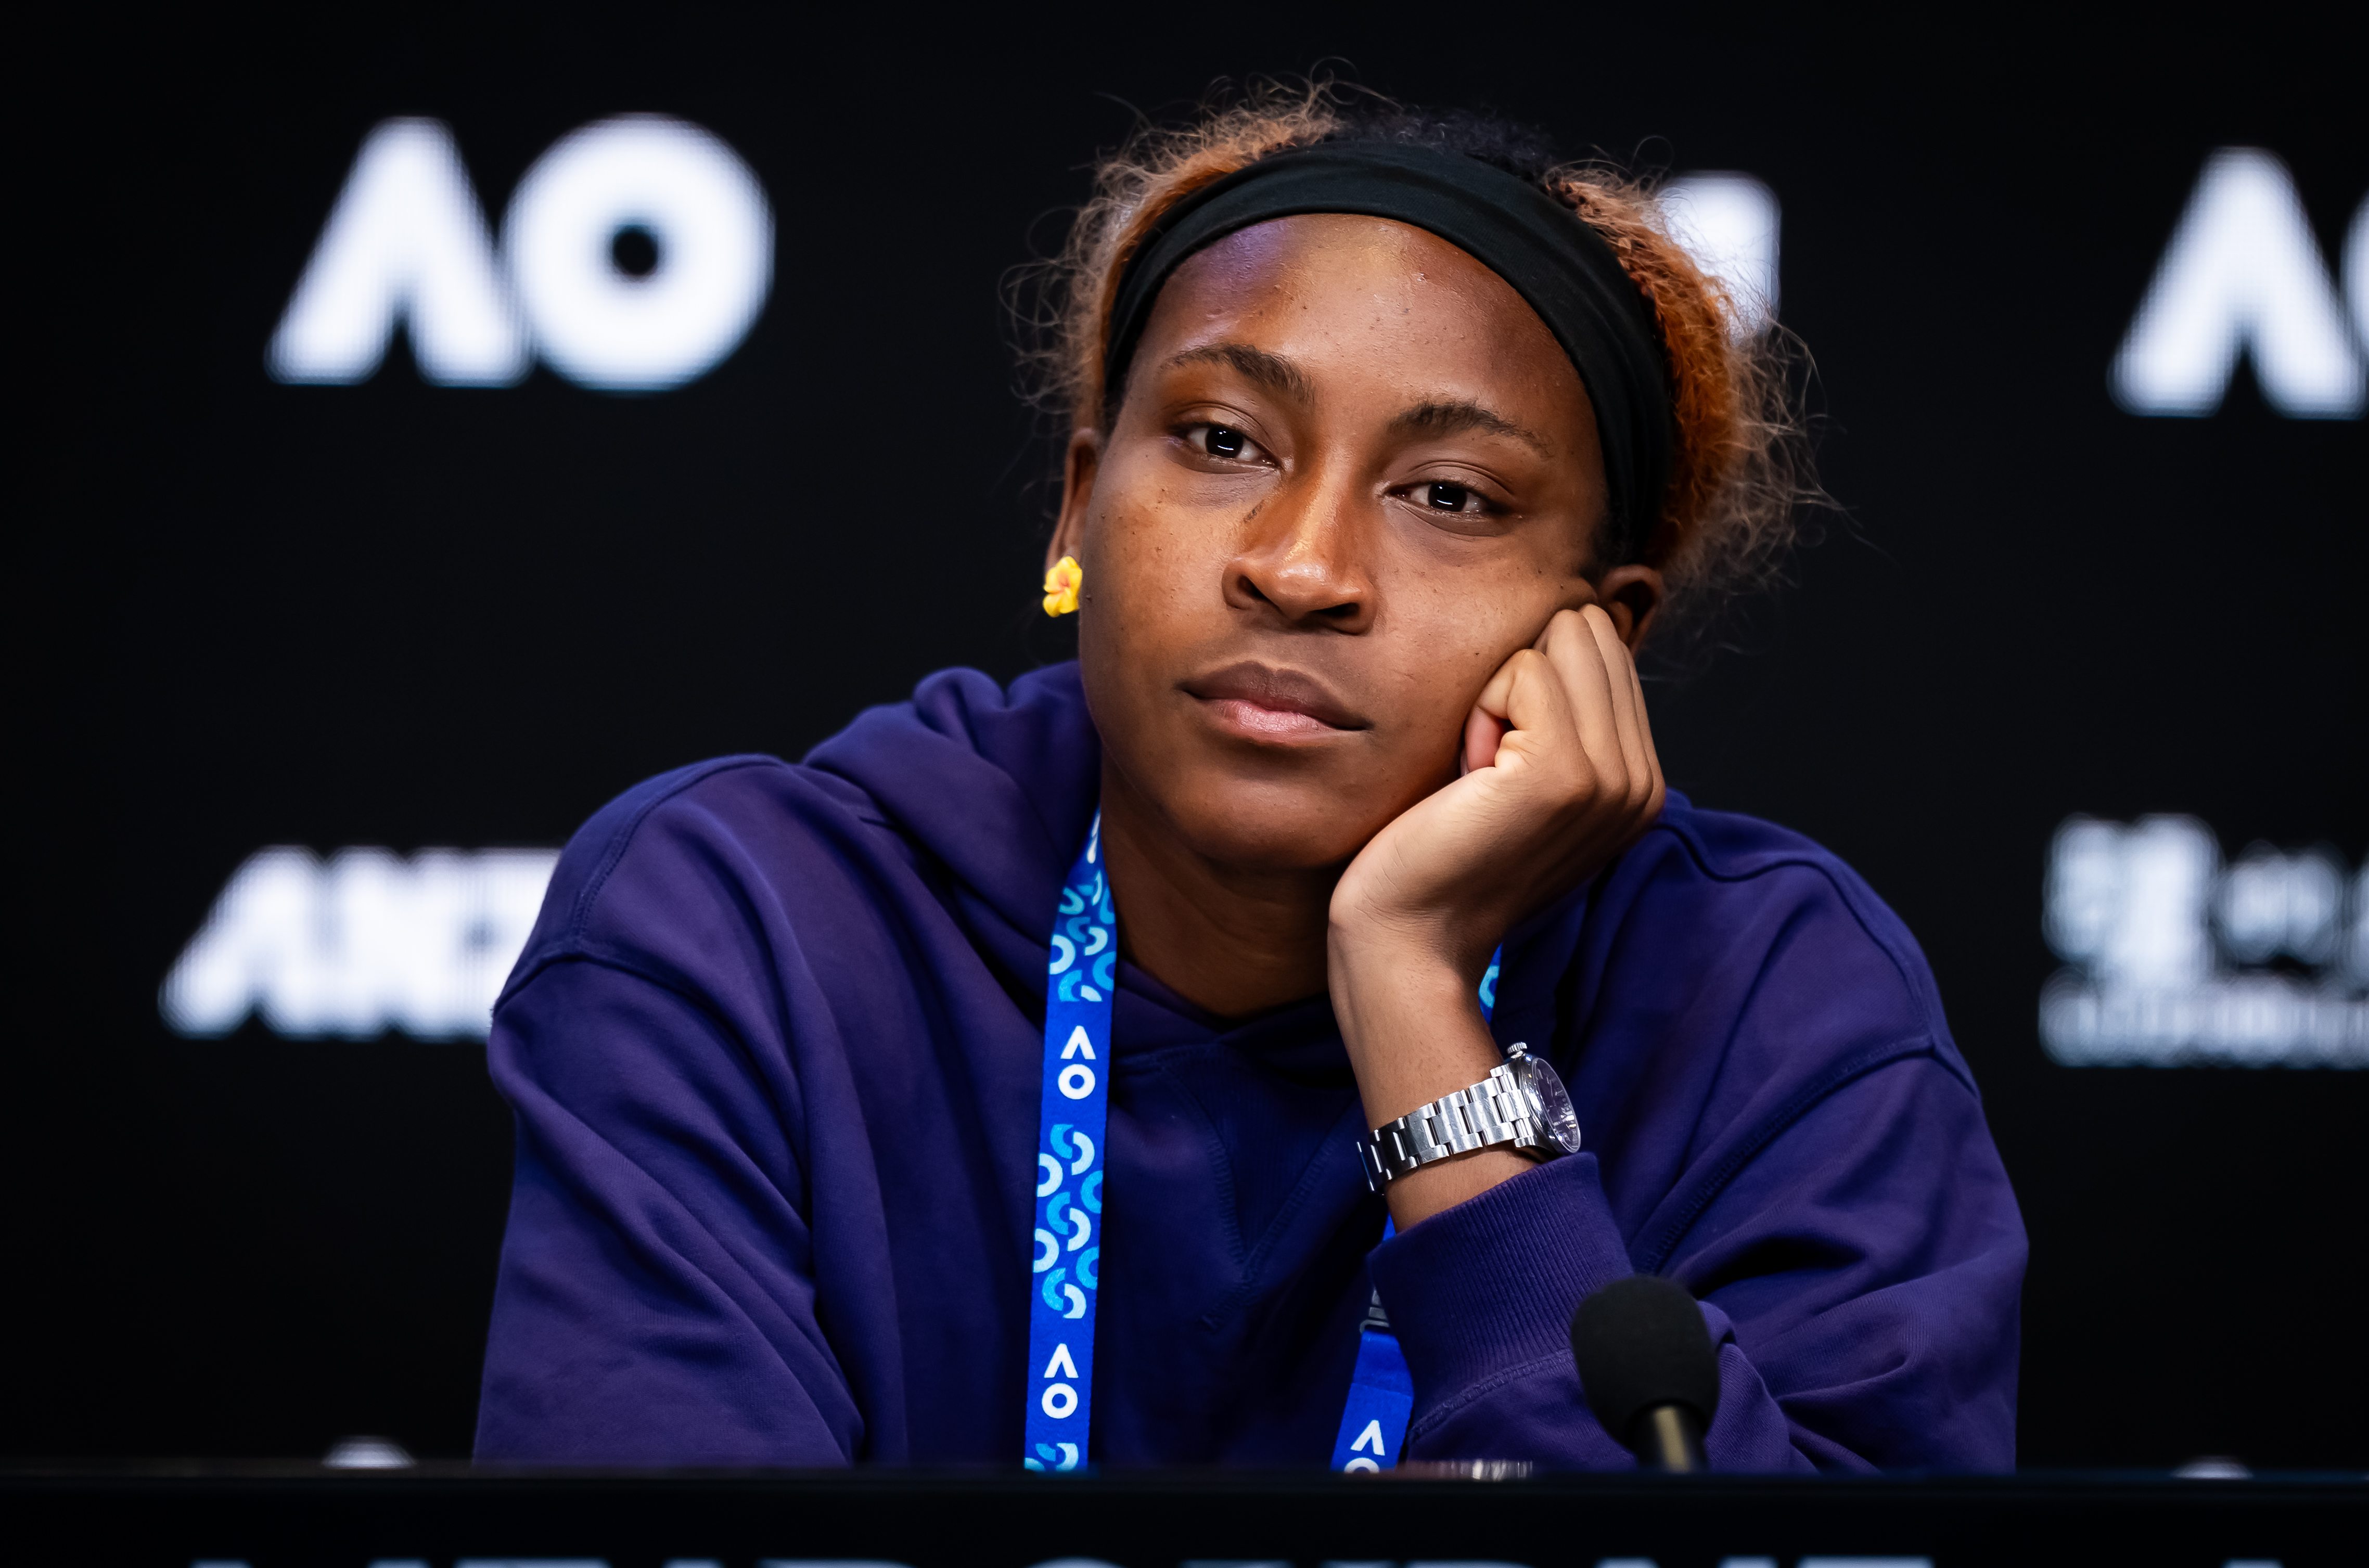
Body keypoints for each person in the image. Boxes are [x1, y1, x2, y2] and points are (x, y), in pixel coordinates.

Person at [472, 87, 2025, 1471]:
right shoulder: (748, 923)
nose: (1298, 567)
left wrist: (1416, 997)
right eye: (1221, 440)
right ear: (1078, 511)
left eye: (1447, 494)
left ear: (1597, 634)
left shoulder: (1774, 1004)